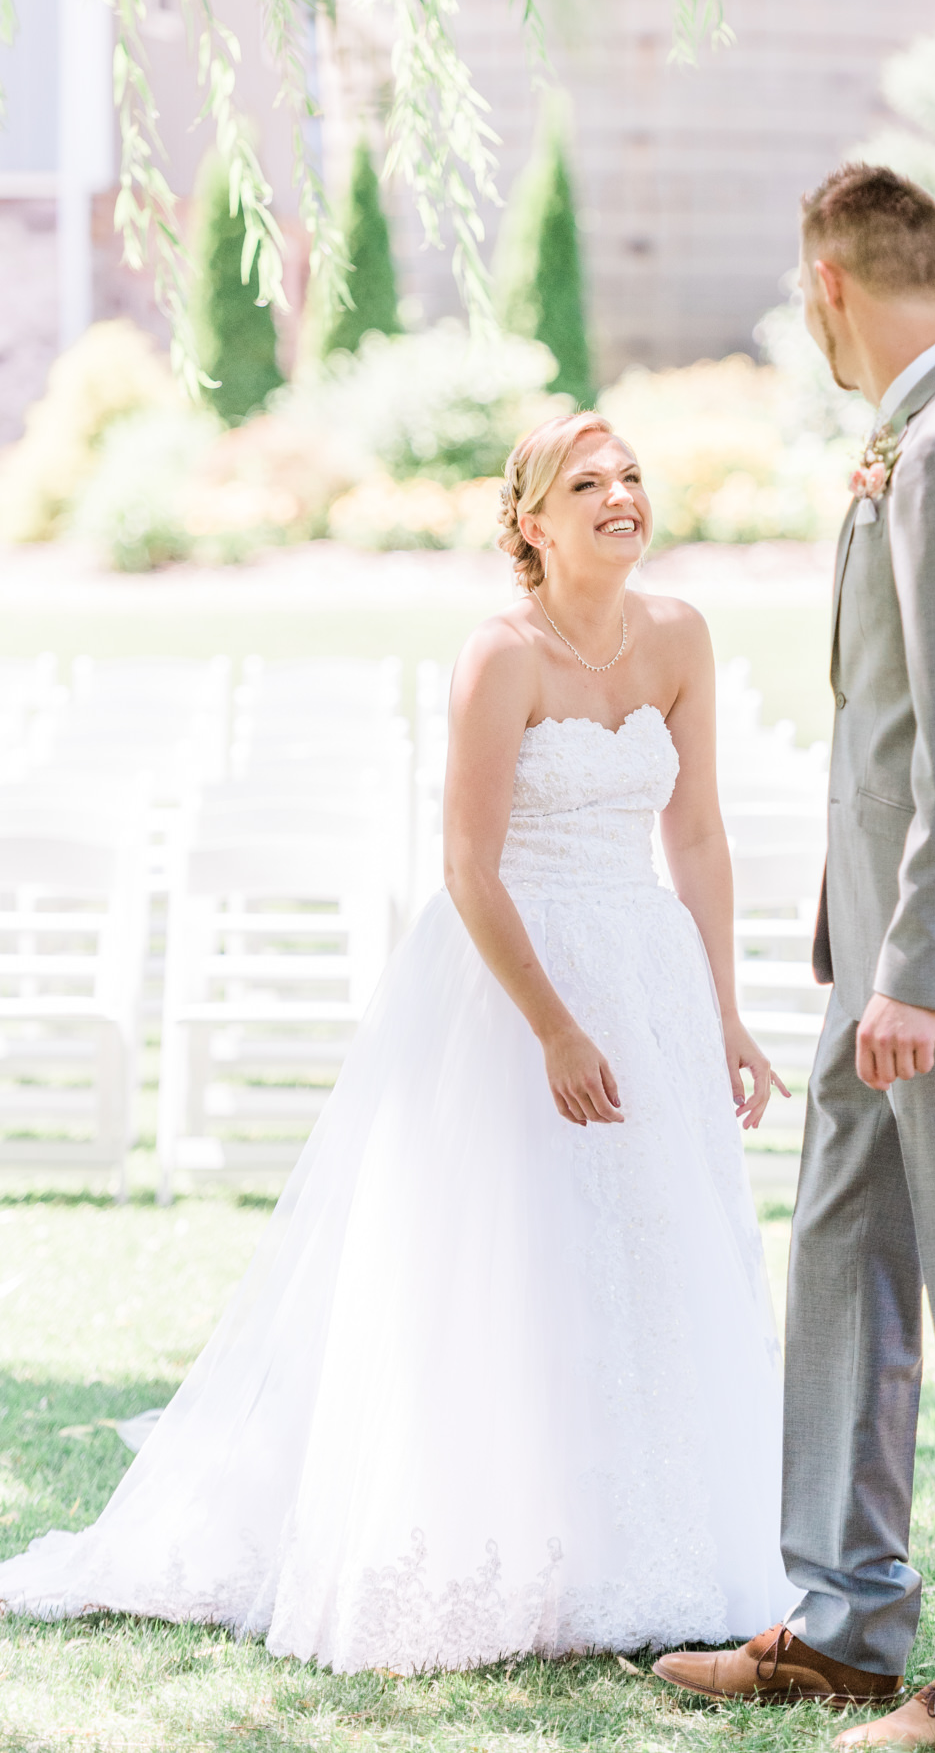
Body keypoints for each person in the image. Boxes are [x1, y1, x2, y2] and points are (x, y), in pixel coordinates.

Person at [0, 412, 793, 1672]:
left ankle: (655, 1544)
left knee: (652, 1247)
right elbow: (468, 866)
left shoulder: (683, 637)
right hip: (514, 983)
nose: (620, 497)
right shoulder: (501, 657)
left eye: (631, 477)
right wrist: (552, 1027)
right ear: (531, 522)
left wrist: (723, 1010)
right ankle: (496, 1550)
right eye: (586, 484)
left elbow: (695, 835)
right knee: (515, 1265)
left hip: (644, 971)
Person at [654, 166, 935, 1742]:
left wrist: (913, 966)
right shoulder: (928, 433)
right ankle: (843, 1617)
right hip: (882, 947)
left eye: (804, 298)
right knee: (841, 1245)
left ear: (829, 284)